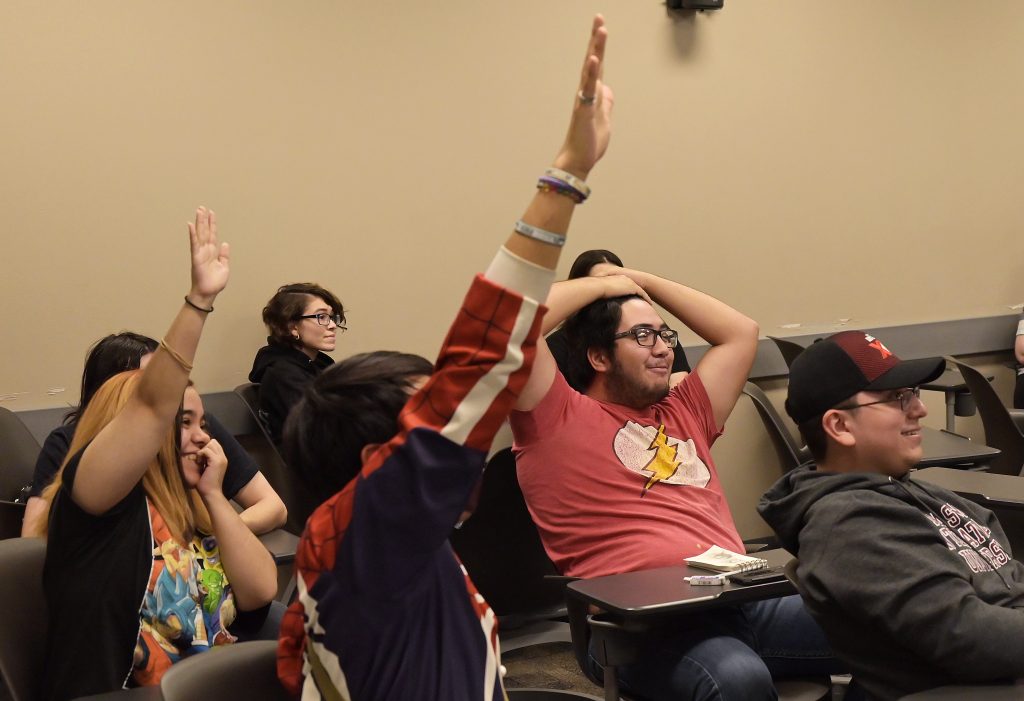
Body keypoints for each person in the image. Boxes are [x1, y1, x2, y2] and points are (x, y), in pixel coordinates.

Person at [275, 15, 613, 699]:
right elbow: (481, 362)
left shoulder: (391, 549)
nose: (459, 429)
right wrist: (566, 176)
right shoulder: (356, 538)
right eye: (423, 408)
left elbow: (491, 370)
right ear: (382, 455)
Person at [510, 212, 839, 698]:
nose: (664, 348)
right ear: (599, 357)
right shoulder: (554, 418)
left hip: (736, 600)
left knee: (890, 621)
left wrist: (636, 282)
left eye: (665, 335)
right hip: (639, 628)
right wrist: (602, 288)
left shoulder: (684, 410)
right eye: (643, 336)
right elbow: (512, 325)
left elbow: (741, 332)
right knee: (738, 677)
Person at [38, 207, 278, 700]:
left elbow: (260, 591)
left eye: (200, 423)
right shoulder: (97, 504)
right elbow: (150, 406)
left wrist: (214, 497)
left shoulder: (192, 500)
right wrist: (199, 301)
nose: (199, 436)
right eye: (181, 423)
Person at [758, 330, 1024, 700]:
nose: (919, 409)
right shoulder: (851, 523)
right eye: (896, 398)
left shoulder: (923, 493)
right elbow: (967, 637)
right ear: (839, 426)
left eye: (912, 393)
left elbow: (1009, 579)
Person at [22, 332, 286, 536]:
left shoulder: (197, 428)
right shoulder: (69, 442)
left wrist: (217, 538)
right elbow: (34, 538)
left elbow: (272, 506)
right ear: (111, 390)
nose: (165, 391)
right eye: (150, 382)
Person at [545, 248, 690, 388]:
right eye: (600, 285)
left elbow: (677, 392)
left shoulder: (661, 339)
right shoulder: (558, 345)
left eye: (616, 281)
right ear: (599, 357)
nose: (611, 291)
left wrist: (644, 282)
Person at [249, 282, 345, 444]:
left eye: (332, 317)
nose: (333, 325)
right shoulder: (282, 374)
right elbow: (321, 432)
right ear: (292, 327)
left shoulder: (320, 364)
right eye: (321, 317)